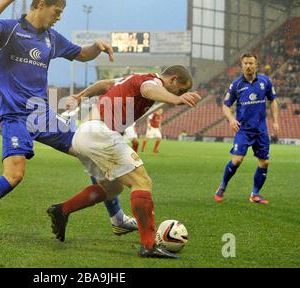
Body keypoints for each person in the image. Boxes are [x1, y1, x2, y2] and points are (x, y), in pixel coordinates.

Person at [0, 0, 136, 247]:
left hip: (42, 115)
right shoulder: (11, 30)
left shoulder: (51, 38)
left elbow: (81, 54)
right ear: (41, 5)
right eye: (57, 12)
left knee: (90, 149)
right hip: (15, 116)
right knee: (14, 176)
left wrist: (97, 46)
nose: (58, 18)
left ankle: (117, 218)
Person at [47, 65, 201, 258]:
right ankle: (148, 245)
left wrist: (80, 96)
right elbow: (148, 89)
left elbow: (105, 84)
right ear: (173, 79)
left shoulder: (133, 77)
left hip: (83, 134)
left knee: (112, 189)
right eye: (182, 89)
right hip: (99, 133)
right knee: (142, 182)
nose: (182, 93)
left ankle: (62, 210)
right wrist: (177, 99)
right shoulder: (152, 82)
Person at [214, 53, 279, 204]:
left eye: (251, 63)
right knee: (237, 160)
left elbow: (273, 101)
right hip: (243, 130)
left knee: (265, 163)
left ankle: (255, 194)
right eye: (246, 63)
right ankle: (222, 187)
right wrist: (231, 119)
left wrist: (275, 121)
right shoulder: (236, 85)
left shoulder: (265, 81)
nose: (248, 66)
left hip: (261, 130)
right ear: (242, 65)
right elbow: (225, 105)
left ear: (256, 65)